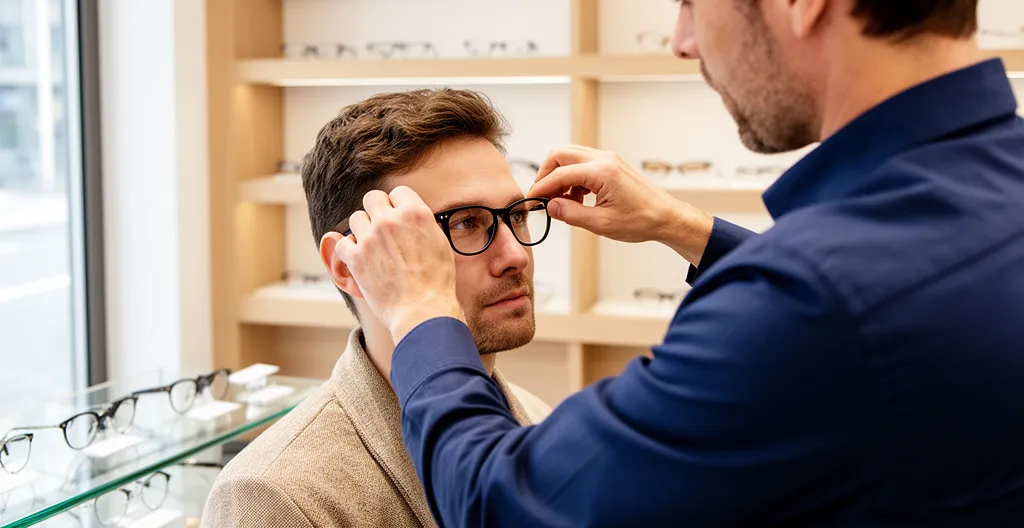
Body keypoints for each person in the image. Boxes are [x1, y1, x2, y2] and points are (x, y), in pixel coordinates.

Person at [333, 1, 1024, 526]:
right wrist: (683, 228)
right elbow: (884, 318)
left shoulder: (813, 302)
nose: (682, 40)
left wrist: (423, 311)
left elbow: (500, 503)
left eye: (694, 2)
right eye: (473, 226)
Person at [200, 89, 552, 528]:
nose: (515, 255)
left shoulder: (537, 419)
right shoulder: (274, 494)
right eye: (465, 223)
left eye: (517, 215)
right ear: (347, 266)